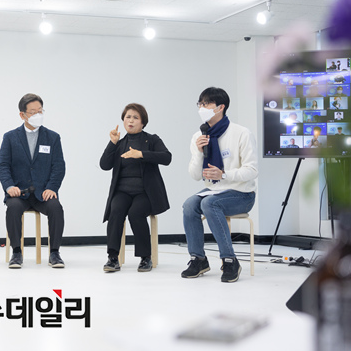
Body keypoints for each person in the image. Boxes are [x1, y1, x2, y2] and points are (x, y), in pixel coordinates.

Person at [181, 87, 258, 283]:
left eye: (206, 104)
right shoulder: (199, 136)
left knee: (209, 203)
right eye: (200, 104)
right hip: (214, 190)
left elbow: (252, 170)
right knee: (189, 205)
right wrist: (199, 153)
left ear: (220, 107)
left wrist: (223, 174)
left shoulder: (241, 133)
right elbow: (195, 176)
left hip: (242, 193)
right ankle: (198, 259)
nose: (201, 108)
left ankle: (230, 260)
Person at [0, 93, 66, 269]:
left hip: (43, 193)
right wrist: (9, 186)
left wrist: (52, 187)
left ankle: (55, 253)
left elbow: (59, 166)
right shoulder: (10, 137)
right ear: (22, 115)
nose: (38, 115)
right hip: (19, 193)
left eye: (40, 111)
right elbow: (2, 165)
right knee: (13, 208)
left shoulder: (53, 137)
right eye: (33, 112)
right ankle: (16, 253)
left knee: (56, 208)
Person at [99, 103, 171, 273]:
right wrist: (112, 143)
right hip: (122, 191)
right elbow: (104, 165)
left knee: (135, 213)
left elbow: (167, 158)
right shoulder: (120, 143)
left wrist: (141, 154)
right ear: (123, 120)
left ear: (143, 122)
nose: (131, 121)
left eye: (135, 117)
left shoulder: (152, 140)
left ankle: (145, 258)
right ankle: (113, 258)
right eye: (128, 117)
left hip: (145, 192)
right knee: (116, 211)